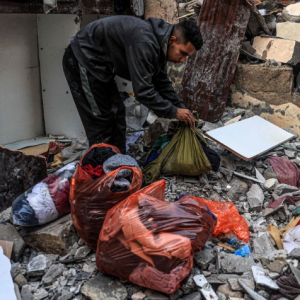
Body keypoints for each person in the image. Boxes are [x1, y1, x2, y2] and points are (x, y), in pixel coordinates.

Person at [62, 16, 203, 153]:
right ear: (173, 40)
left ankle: (118, 163)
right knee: (100, 121)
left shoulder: (160, 45)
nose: (183, 60)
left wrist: (181, 108)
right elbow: (143, 91)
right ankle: (101, 169)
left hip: (101, 68)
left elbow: (161, 83)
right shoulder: (145, 42)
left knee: (117, 115)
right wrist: (174, 112)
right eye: (182, 53)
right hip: (82, 59)